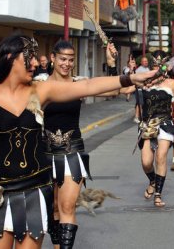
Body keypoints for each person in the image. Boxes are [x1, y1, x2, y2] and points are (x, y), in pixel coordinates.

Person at [0, 35, 156, 249]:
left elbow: (88, 86)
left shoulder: (41, 90)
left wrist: (128, 79)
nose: (35, 63)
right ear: (10, 58)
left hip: (34, 191)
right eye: (30, 57)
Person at [42, 40, 118, 248]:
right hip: (44, 154)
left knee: (67, 206)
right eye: (63, 59)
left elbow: (112, 91)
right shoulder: (40, 86)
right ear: (53, 58)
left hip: (72, 152)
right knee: (53, 209)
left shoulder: (79, 84)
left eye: (71, 60)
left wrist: (111, 64)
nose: (67, 64)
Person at [134, 50, 174, 207]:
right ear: (151, 66)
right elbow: (123, 88)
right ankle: (153, 181)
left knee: (161, 157)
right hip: (148, 125)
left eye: (161, 65)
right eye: (155, 65)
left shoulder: (171, 83)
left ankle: (158, 194)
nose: (158, 68)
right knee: (146, 162)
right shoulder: (144, 82)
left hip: (166, 124)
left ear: (167, 67)